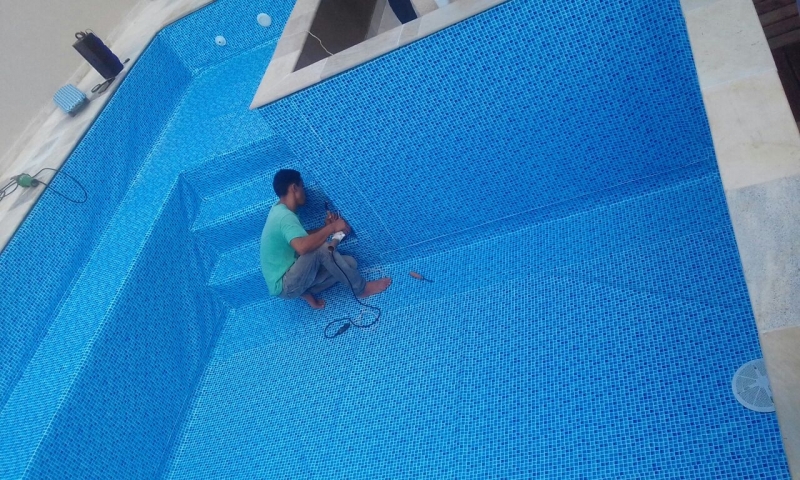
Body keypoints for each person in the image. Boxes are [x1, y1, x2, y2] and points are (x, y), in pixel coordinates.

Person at [260, 169, 392, 309]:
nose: (304, 192)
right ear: (294, 188)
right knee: (321, 249)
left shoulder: (280, 211)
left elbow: (301, 237)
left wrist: (325, 227)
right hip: (285, 284)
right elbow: (302, 247)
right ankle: (362, 289)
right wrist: (332, 228)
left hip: (292, 278)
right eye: (302, 187)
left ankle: (306, 291)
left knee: (349, 263)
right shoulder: (285, 217)